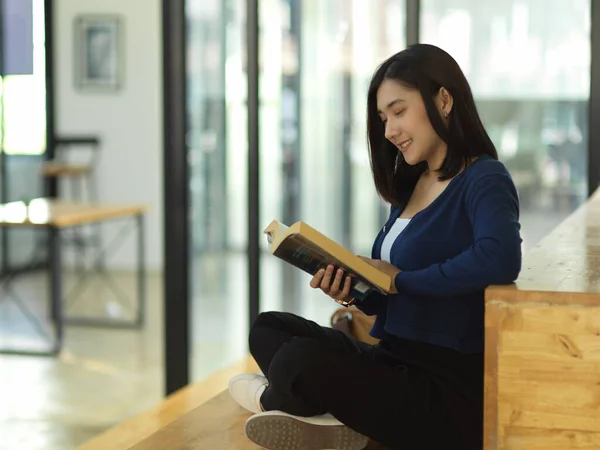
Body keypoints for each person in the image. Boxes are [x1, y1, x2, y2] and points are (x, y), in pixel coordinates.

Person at [228, 43, 522, 450]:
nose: (388, 131)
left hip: (443, 384)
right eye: (384, 118)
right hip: (392, 357)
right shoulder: (412, 187)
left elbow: (500, 258)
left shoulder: (485, 177)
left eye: (399, 111)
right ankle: (337, 415)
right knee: (268, 328)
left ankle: (273, 400)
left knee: (299, 362)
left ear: (444, 98)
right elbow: (400, 300)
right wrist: (359, 292)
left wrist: (400, 281)